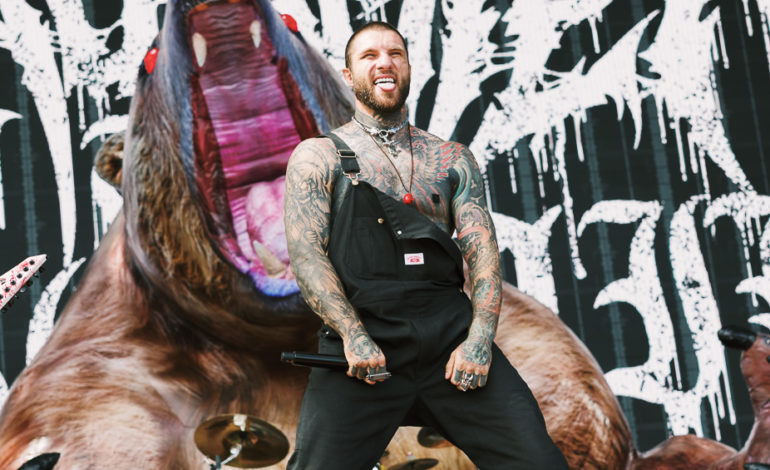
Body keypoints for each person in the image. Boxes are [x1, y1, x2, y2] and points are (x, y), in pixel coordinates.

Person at [283, 21, 568, 469]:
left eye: (395, 54)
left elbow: (484, 256)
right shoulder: (318, 157)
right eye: (370, 55)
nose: (385, 63)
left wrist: (479, 340)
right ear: (348, 75)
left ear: (409, 67)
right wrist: (353, 336)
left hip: (449, 342)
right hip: (363, 345)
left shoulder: (453, 159)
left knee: (539, 462)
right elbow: (306, 256)